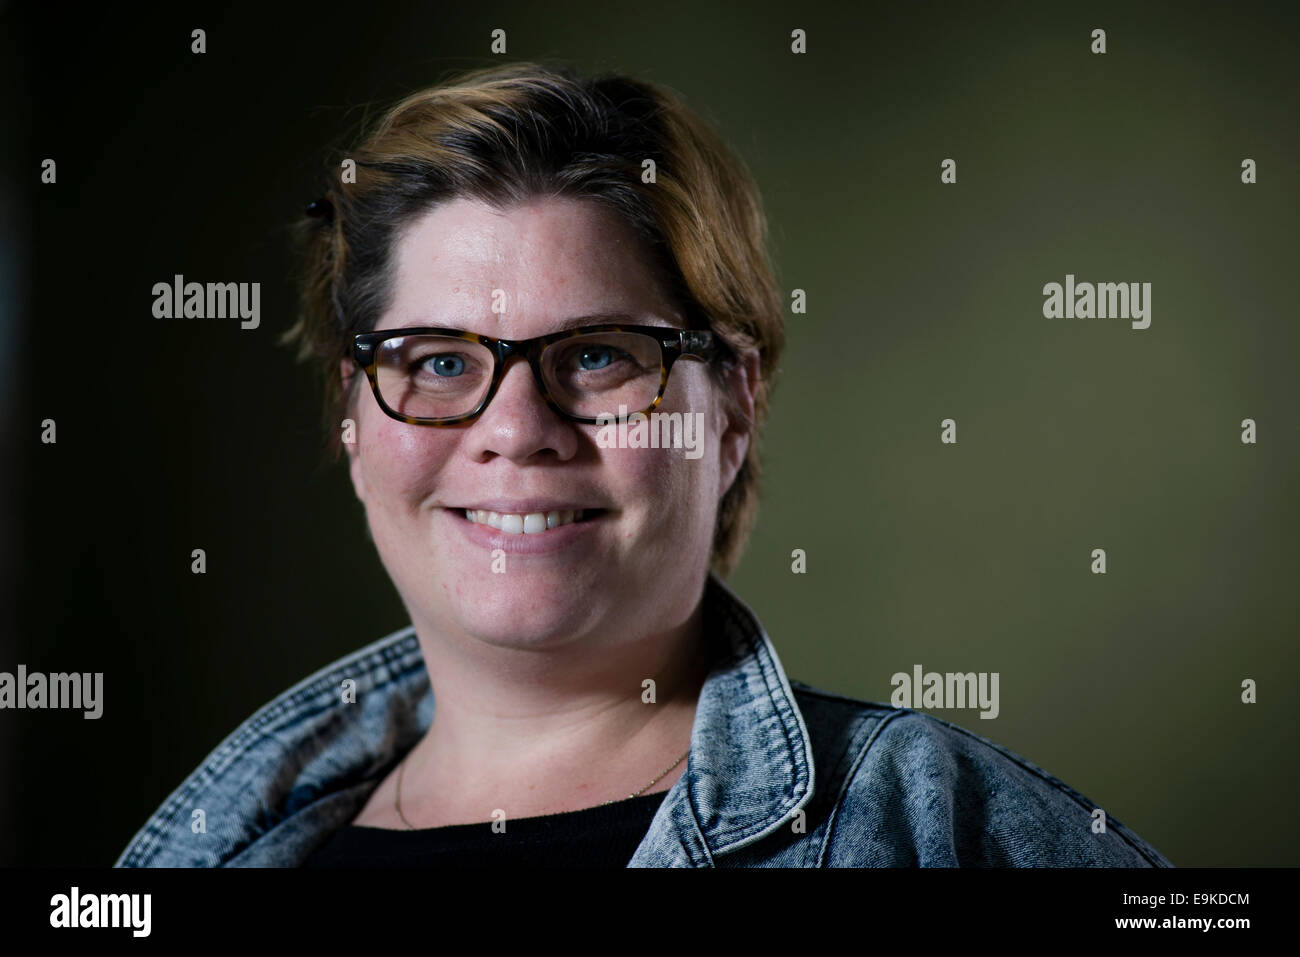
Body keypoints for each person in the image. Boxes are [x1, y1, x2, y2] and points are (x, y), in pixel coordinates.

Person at [115, 60, 1171, 868]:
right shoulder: (213, 850)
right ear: (352, 418)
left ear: (736, 404)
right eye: (436, 361)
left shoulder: (941, 828)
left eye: (596, 355)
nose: (517, 427)